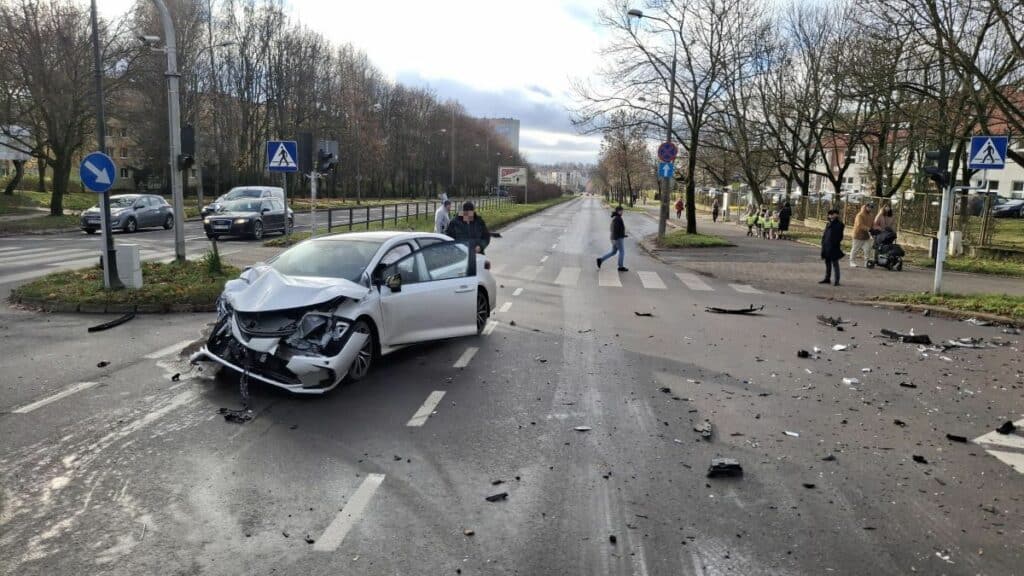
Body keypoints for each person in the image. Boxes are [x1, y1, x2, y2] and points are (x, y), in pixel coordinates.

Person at [596, 205, 628, 272]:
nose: (623, 212)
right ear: (619, 211)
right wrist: (614, 239)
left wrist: (623, 235)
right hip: (618, 239)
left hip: (617, 238)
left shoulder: (617, 217)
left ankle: (600, 260)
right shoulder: (617, 218)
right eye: (622, 211)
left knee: (613, 252)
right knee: (622, 252)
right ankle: (620, 267)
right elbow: (614, 230)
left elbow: (618, 229)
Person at [820, 208, 845, 286]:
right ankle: (827, 278)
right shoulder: (828, 223)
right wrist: (823, 243)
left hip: (834, 246)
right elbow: (825, 234)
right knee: (827, 262)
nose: (830, 215)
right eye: (830, 214)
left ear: (836, 215)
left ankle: (837, 280)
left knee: (835, 263)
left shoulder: (839, 224)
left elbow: (839, 236)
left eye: (832, 214)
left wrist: (835, 243)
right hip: (826, 245)